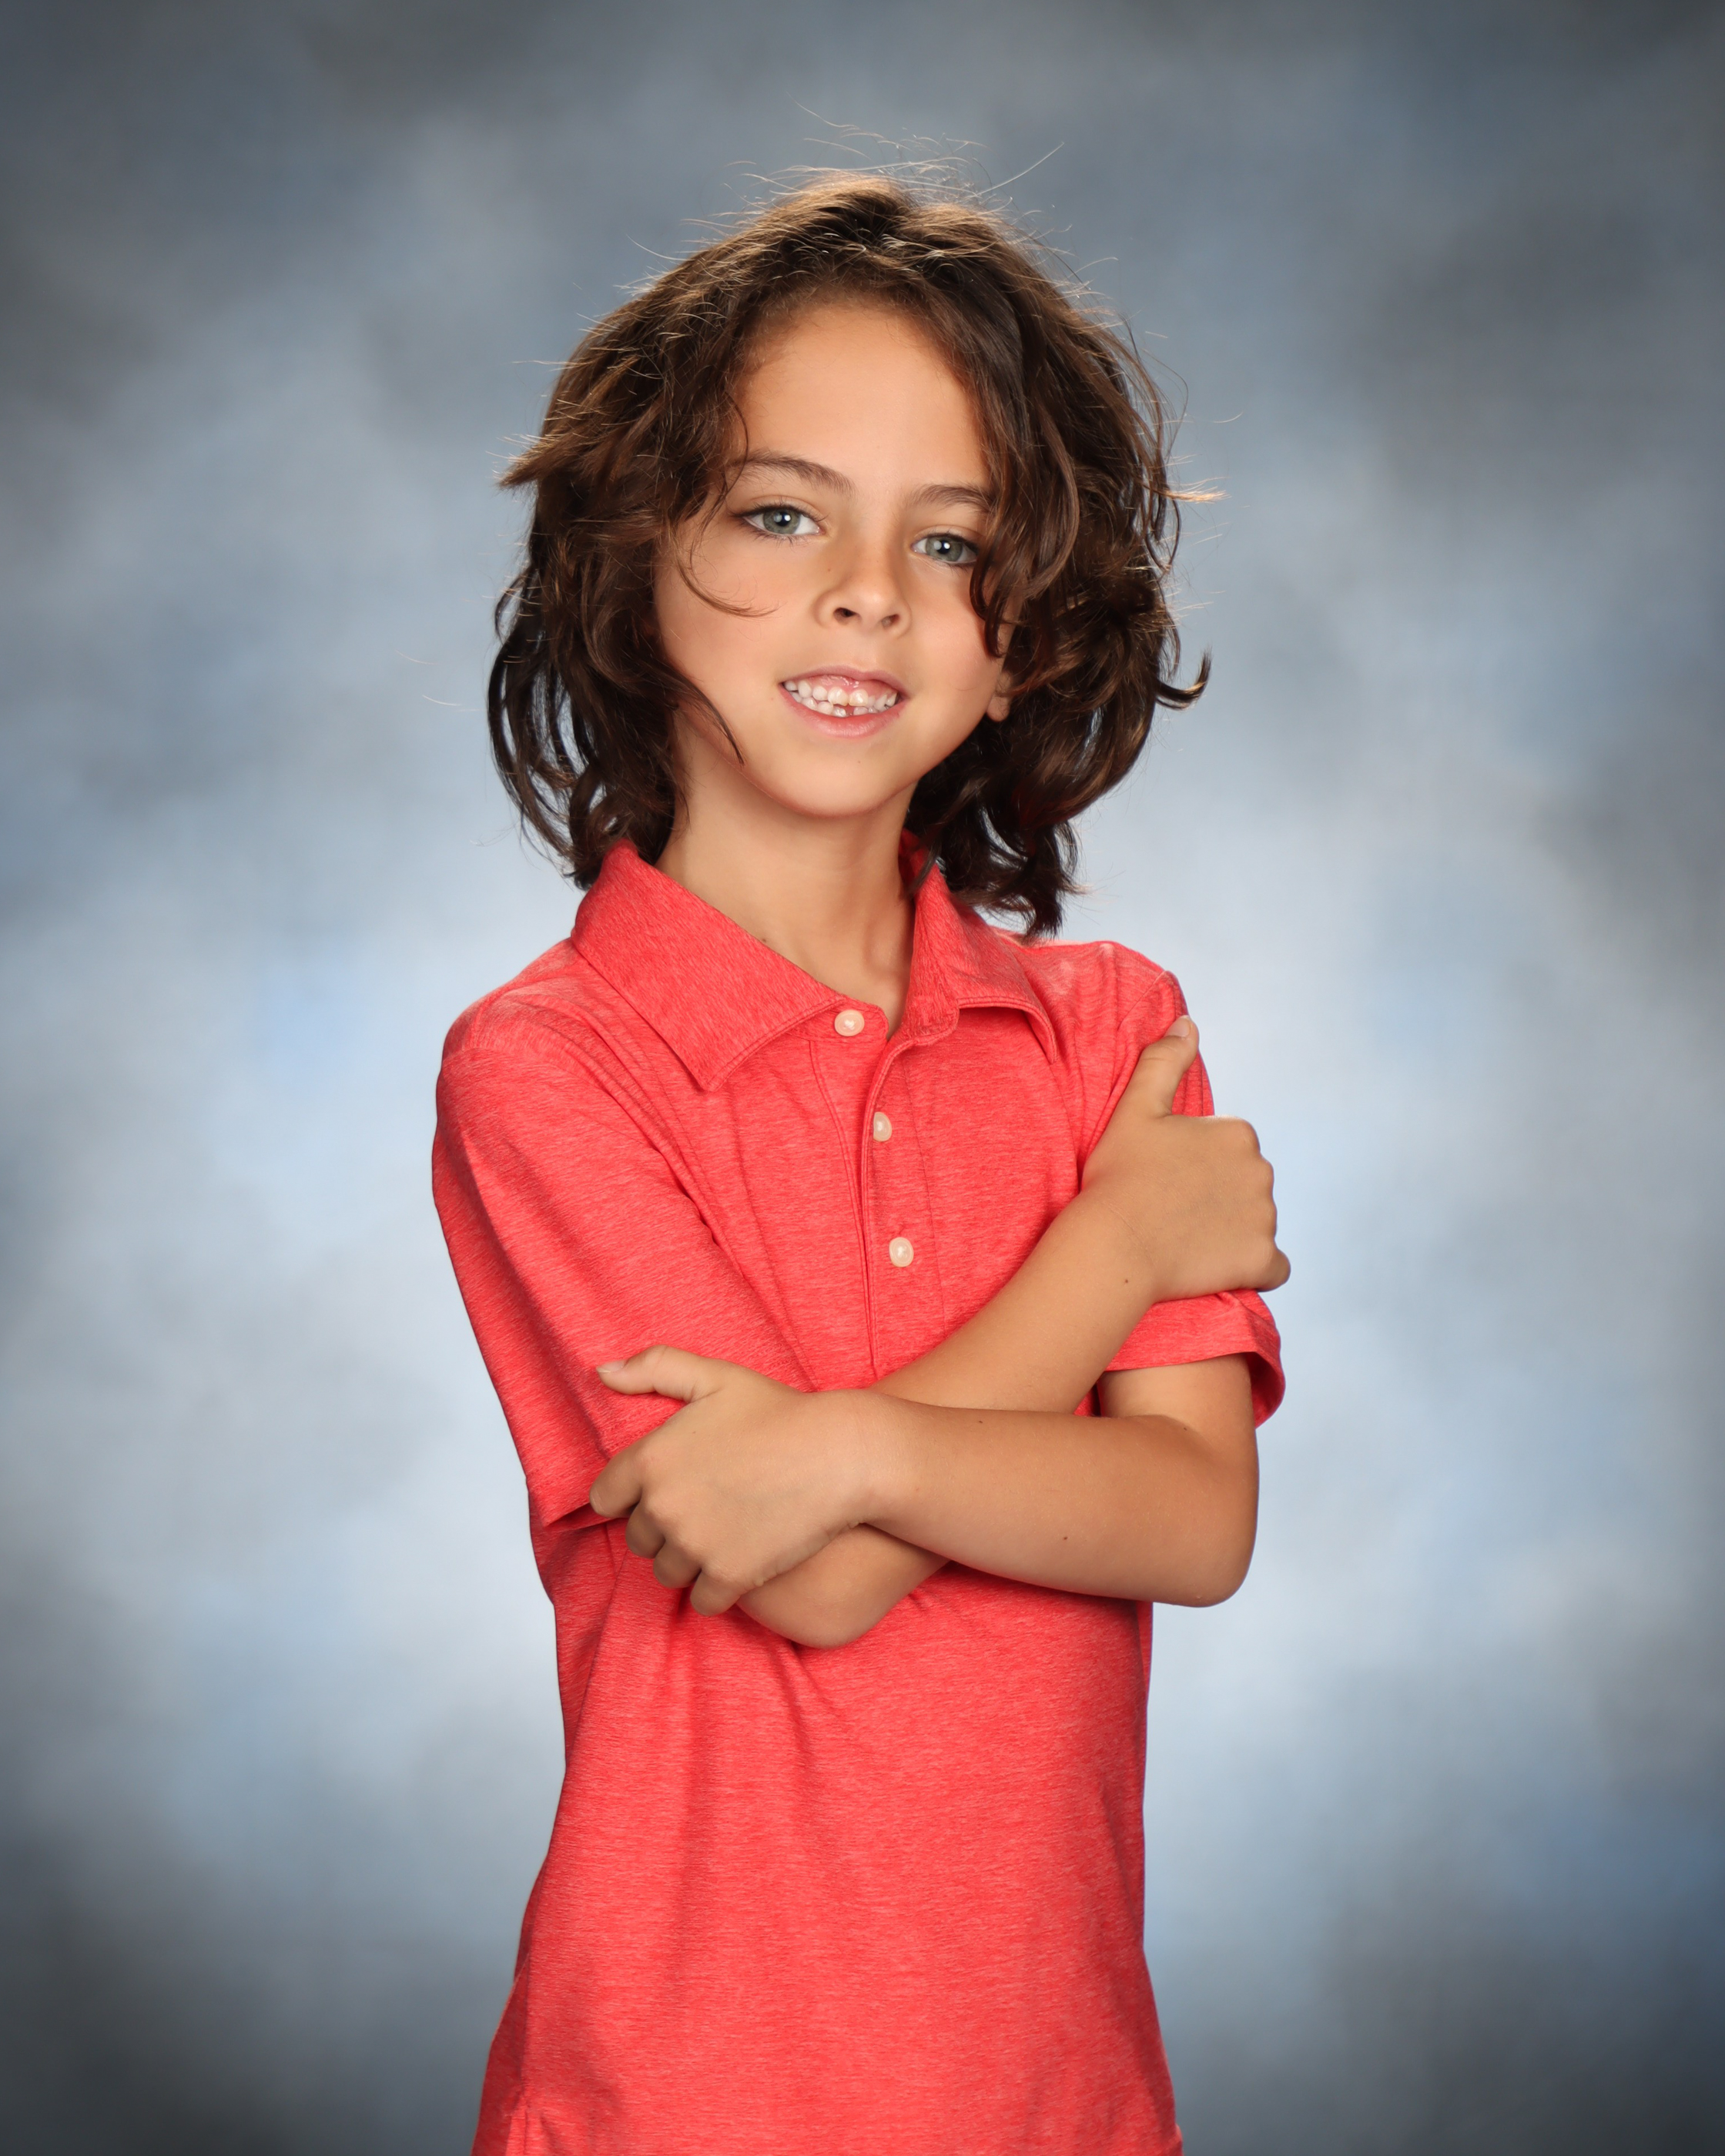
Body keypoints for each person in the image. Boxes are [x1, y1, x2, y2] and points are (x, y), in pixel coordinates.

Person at [433, 172, 1289, 2156]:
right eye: (780, 512)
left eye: (953, 542)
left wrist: (843, 1448)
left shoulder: (1109, 1029)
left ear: (1021, 644)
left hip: (1058, 2099)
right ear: (631, 564)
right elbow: (801, 1573)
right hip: (673, 2098)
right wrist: (1107, 1254)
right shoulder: (548, 1065)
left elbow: (1189, 1520)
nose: (868, 593)